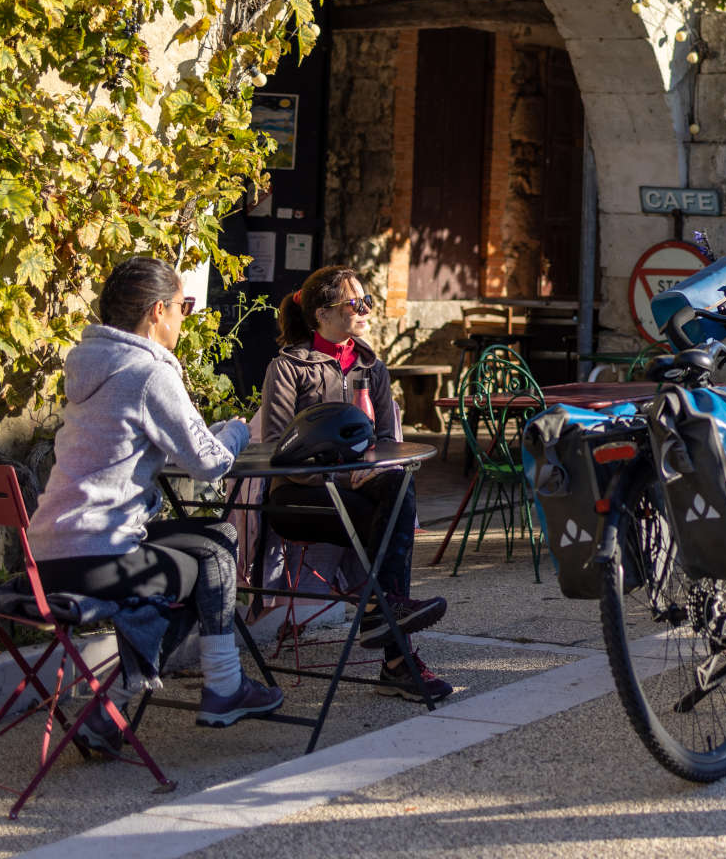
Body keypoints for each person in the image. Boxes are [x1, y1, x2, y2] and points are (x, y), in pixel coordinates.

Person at [27, 256, 284, 733]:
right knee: (213, 559)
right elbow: (208, 463)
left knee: (214, 542)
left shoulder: (94, 364)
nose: (186, 318)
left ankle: (122, 708)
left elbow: (130, 443)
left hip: (48, 552)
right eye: (184, 306)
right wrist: (237, 432)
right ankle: (208, 688)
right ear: (156, 313)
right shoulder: (148, 373)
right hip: (97, 556)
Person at [256, 265, 453, 702]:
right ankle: (390, 638)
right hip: (298, 494)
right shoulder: (289, 368)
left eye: (367, 301)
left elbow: (387, 440)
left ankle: (386, 627)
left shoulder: (371, 365)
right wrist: (340, 475)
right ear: (323, 314)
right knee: (383, 515)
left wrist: (377, 466)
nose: (367, 310)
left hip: (358, 489)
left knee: (397, 485)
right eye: (356, 302)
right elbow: (276, 448)